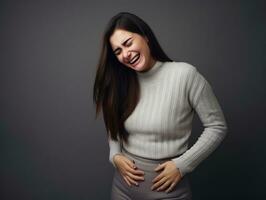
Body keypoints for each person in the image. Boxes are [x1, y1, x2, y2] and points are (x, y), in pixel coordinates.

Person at [93, 12, 228, 200]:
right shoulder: (121, 82)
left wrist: (183, 164)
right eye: (118, 51)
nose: (125, 54)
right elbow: (113, 122)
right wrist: (115, 155)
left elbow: (217, 126)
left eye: (128, 43)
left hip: (169, 193)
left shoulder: (185, 75)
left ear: (145, 37)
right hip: (122, 190)